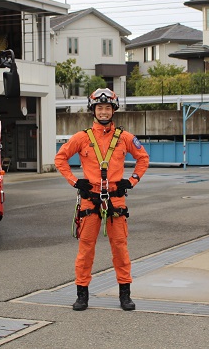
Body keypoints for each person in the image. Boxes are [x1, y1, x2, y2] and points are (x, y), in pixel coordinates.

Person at [54, 88, 149, 312]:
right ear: (93, 110)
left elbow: (143, 158)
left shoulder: (124, 138)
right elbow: (60, 158)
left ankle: (125, 295)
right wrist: (75, 182)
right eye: (100, 108)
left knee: (120, 248)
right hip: (90, 200)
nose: (104, 112)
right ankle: (82, 295)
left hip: (116, 200)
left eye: (107, 108)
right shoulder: (82, 138)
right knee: (86, 249)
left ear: (114, 110)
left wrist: (132, 180)